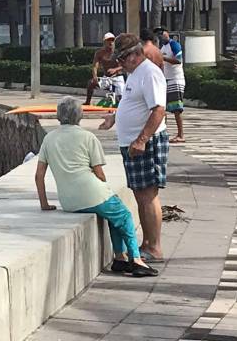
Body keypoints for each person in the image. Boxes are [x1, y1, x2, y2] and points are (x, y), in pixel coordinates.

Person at [36, 96, 158, 277]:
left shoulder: (49, 139)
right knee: (123, 216)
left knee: (113, 217)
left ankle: (119, 258)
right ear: (80, 115)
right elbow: (99, 173)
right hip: (91, 192)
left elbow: (39, 176)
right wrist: (104, 188)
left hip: (69, 201)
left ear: (58, 115)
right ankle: (136, 259)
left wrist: (44, 204)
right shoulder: (87, 137)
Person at [99, 33, 168, 263]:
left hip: (145, 143)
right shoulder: (135, 74)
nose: (119, 63)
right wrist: (115, 118)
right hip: (132, 143)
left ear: (135, 55)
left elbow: (158, 109)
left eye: (122, 58)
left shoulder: (149, 74)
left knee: (148, 194)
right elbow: (133, 104)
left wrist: (141, 140)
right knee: (140, 194)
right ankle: (146, 243)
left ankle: (155, 247)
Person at [160, 31, 186, 143]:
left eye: (163, 33)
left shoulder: (174, 44)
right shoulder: (162, 47)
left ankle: (181, 134)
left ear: (168, 33)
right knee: (162, 107)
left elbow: (178, 60)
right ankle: (162, 132)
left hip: (176, 79)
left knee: (176, 109)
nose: (161, 35)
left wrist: (163, 58)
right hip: (166, 80)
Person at [85, 32, 124, 105]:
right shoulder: (99, 53)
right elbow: (95, 66)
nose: (111, 42)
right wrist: (95, 76)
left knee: (120, 98)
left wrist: (115, 69)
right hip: (106, 78)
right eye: (109, 40)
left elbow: (125, 65)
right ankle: (87, 102)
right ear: (104, 42)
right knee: (91, 83)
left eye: (112, 40)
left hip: (118, 77)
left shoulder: (118, 52)